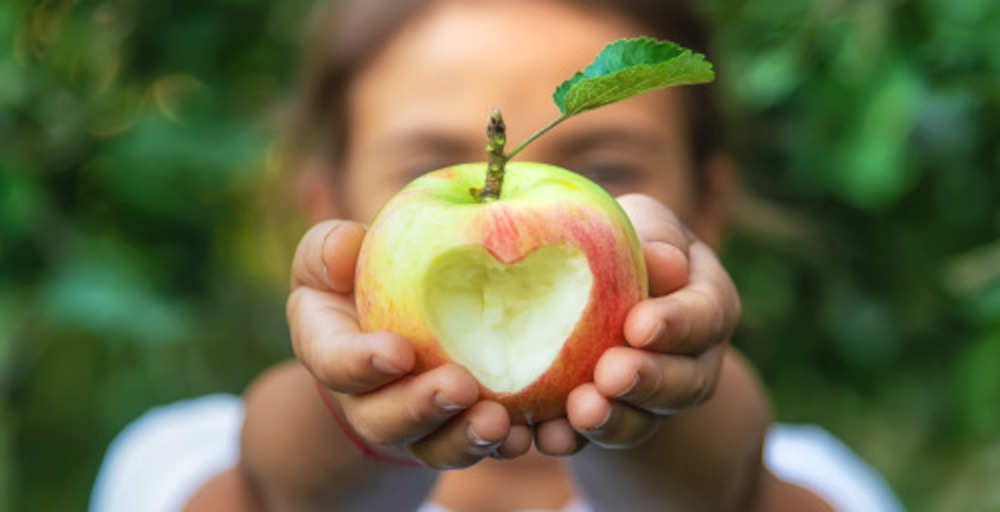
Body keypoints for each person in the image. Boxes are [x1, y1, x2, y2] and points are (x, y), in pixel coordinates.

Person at [91, 0, 906, 511]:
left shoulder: (814, 478)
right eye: (422, 167)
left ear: (708, 211)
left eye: (609, 168)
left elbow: (728, 491)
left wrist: (661, 414)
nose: (520, 216)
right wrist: (357, 409)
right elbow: (278, 491)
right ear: (330, 214)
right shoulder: (177, 457)